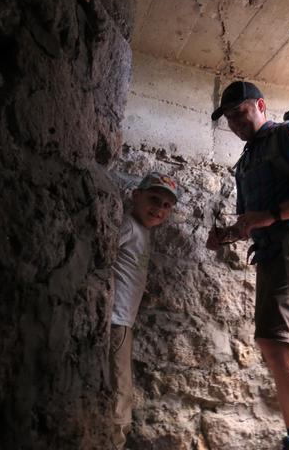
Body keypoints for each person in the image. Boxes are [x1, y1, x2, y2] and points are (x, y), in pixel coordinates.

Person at [207, 81, 289, 450]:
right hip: (271, 256)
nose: (234, 121)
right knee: (271, 342)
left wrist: (271, 215)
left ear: (261, 105)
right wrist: (228, 234)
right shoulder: (246, 162)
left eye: (241, 111)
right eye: (229, 117)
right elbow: (253, 221)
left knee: (277, 343)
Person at [110, 171, 178, 450]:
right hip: (116, 321)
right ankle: (113, 442)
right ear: (135, 196)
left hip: (123, 321)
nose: (159, 209)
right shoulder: (128, 226)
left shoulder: (142, 233)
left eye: (166, 206)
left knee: (120, 389)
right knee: (119, 391)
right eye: (153, 199)